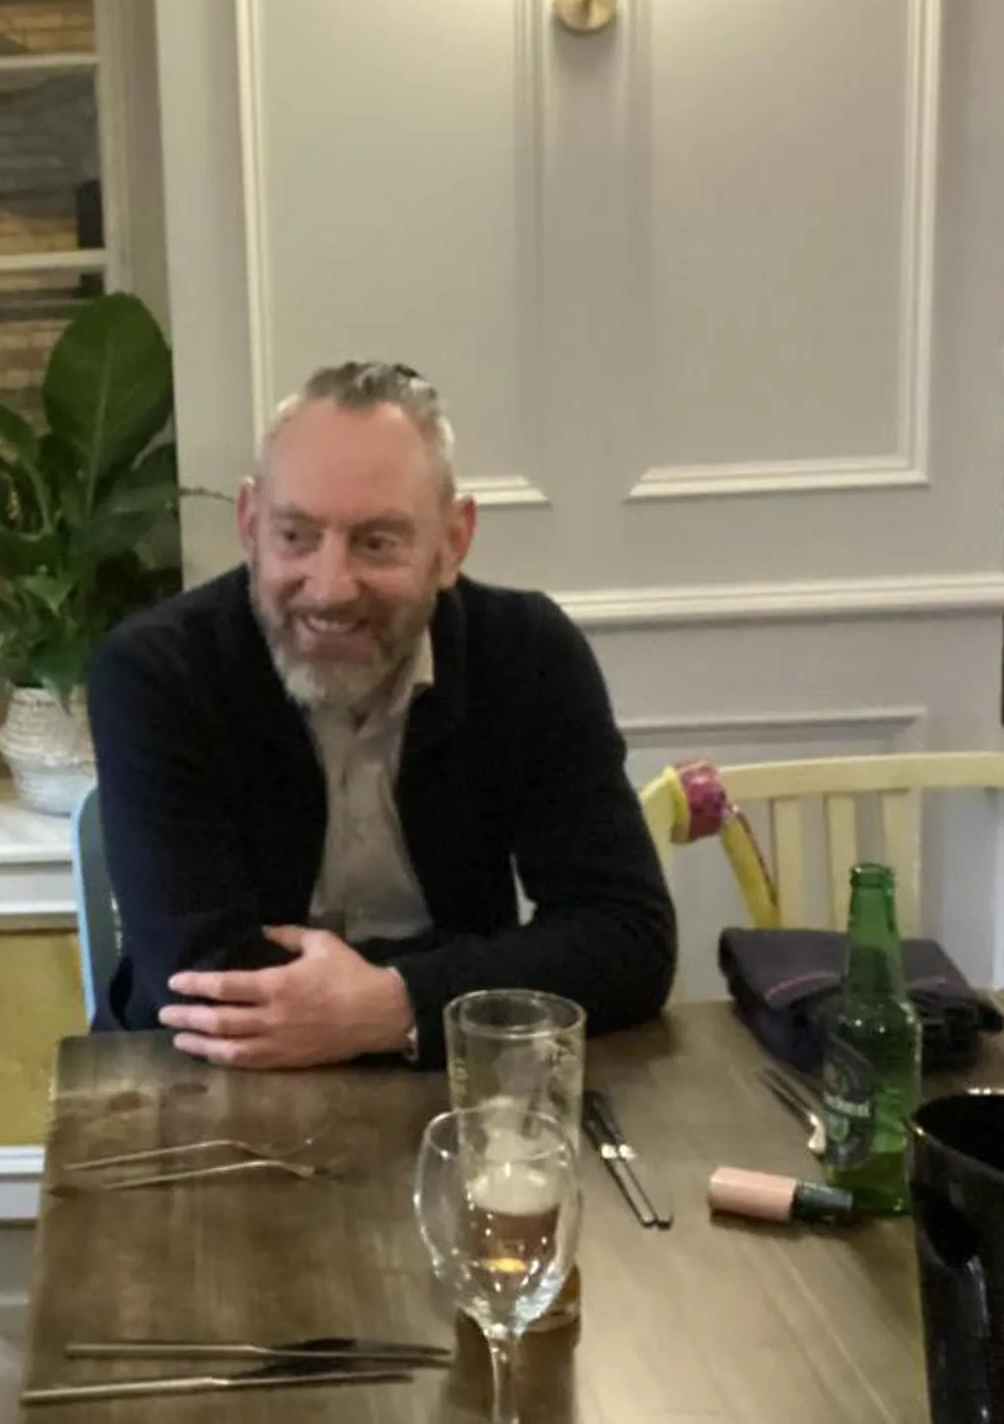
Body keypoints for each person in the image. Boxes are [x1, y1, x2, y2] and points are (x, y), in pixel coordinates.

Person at [86, 360, 676, 1071]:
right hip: (192, 1084)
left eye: (377, 542)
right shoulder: (154, 673)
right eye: (296, 536)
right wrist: (475, 979)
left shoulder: (529, 655)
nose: (329, 589)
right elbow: (201, 982)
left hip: (445, 1081)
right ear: (249, 524)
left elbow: (628, 938)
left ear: (452, 543)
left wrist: (391, 1005)